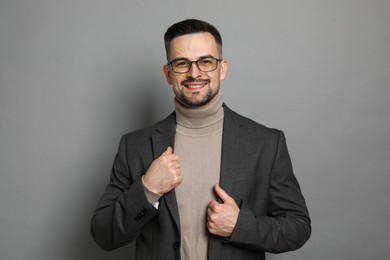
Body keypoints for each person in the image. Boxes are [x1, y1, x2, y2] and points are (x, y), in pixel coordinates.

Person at [90, 19, 311, 260]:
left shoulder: (266, 143)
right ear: (168, 73)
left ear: (222, 68)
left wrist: (240, 226)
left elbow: (298, 228)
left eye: (206, 61)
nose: (194, 73)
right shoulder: (134, 146)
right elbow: (103, 234)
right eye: (182, 63)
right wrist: (148, 189)